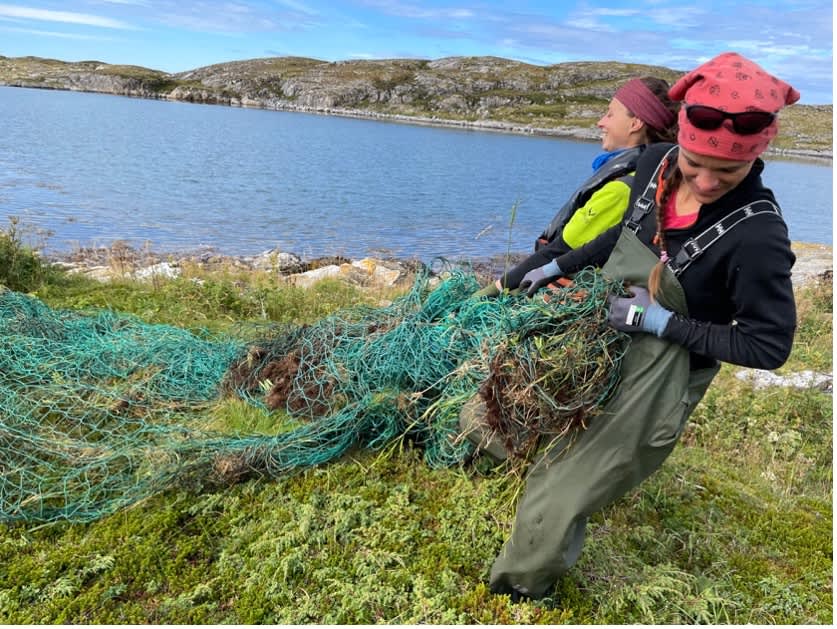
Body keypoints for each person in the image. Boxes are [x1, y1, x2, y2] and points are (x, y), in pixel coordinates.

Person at [487, 52, 800, 601]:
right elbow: (630, 231)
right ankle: (494, 463)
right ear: (678, 138)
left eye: (726, 172)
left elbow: (767, 344)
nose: (703, 181)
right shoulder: (654, 161)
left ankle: (521, 591)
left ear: (757, 155)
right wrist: (557, 265)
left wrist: (660, 321)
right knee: (513, 403)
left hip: (664, 373)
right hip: (602, 330)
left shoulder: (758, 237)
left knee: (565, 486)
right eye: (694, 162)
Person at [473, 75, 679, 297]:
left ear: (635, 123)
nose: (601, 122)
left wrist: (489, 292)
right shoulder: (648, 177)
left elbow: (558, 252)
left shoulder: (623, 187)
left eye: (610, 114)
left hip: (563, 295)